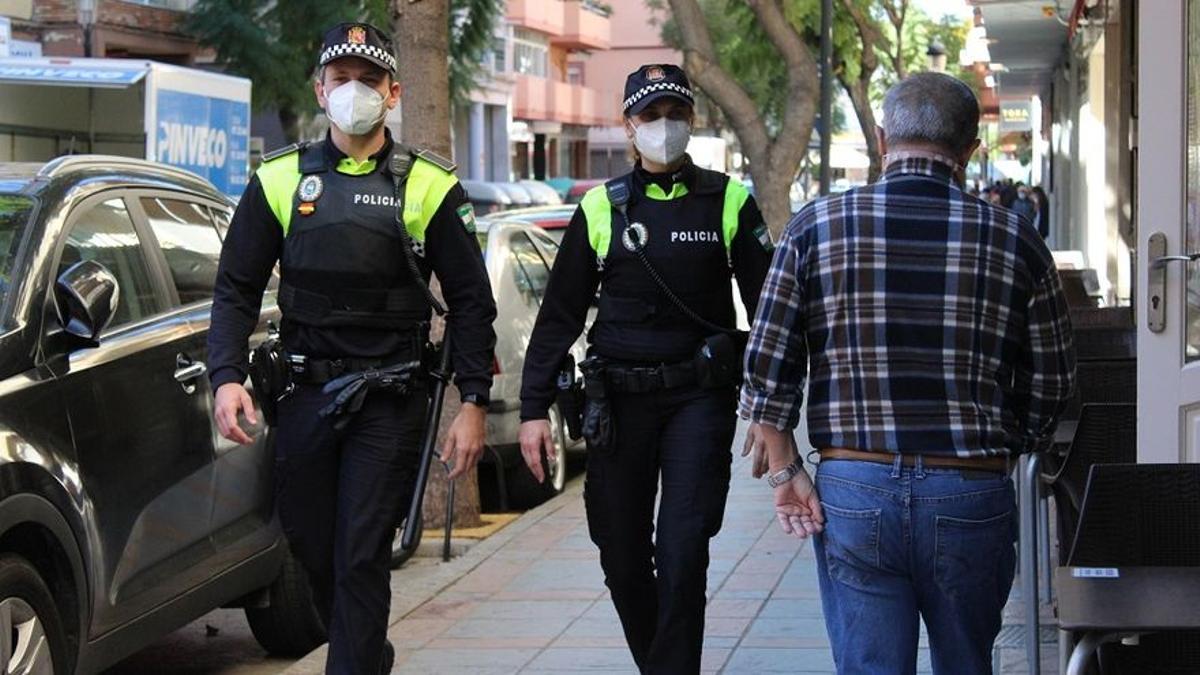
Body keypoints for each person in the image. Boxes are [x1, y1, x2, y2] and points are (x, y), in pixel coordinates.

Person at [740, 72, 1076, 674]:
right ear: (970, 150)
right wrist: (1004, 446)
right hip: (970, 488)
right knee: (967, 663)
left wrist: (788, 468)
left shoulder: (815, 227)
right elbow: (1052, 385)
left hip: (854, 488)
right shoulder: (1017, 239)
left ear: (881, 137)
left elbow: (767, 367)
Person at [207, 22, 497, 674]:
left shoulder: (428, 184)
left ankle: (355, 658)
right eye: (342, 79)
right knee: (313, 545)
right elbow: (235, 288)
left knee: (362, 554)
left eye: (370, 80)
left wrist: (473, 401)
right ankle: (368, 651)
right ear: (320, 88)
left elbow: (474, 302)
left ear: (393, 92)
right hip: (304, 394)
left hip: (390, 398)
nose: (355, 91)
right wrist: (226, 374)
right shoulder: (280, 180)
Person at [517, 64, 775, 674]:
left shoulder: (729, 199)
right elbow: (558, 316)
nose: (665, 127)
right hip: (619, 404)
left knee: (684, 555)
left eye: (676, 115)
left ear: (693, 121)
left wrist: (771, 409)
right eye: (651, 116)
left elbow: (769, 312)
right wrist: (532, 411)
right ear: (629, 126)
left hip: (697, 400)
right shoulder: (600, 208)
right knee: (623, 557)